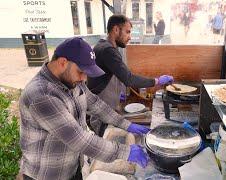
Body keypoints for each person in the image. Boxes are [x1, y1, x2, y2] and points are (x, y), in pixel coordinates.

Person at [19, 37, 150, 180]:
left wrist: (127, 124)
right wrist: (125, 152)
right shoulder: (41, 94)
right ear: (63, 62)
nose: (84, 78)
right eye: (81, 71)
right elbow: (79, 140)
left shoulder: (73, 82)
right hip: (46, 174)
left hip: (73, 167)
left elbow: (96, 105)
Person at [87, 14, 173, 136]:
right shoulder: (108, 51)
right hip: (101, 115)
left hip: (106, 110)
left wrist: (119, 94)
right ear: (116, 30)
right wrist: (157, 81)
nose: (129, 37)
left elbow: (118, 75)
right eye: (127, 32)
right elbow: (129, 79)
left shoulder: (103, 46)